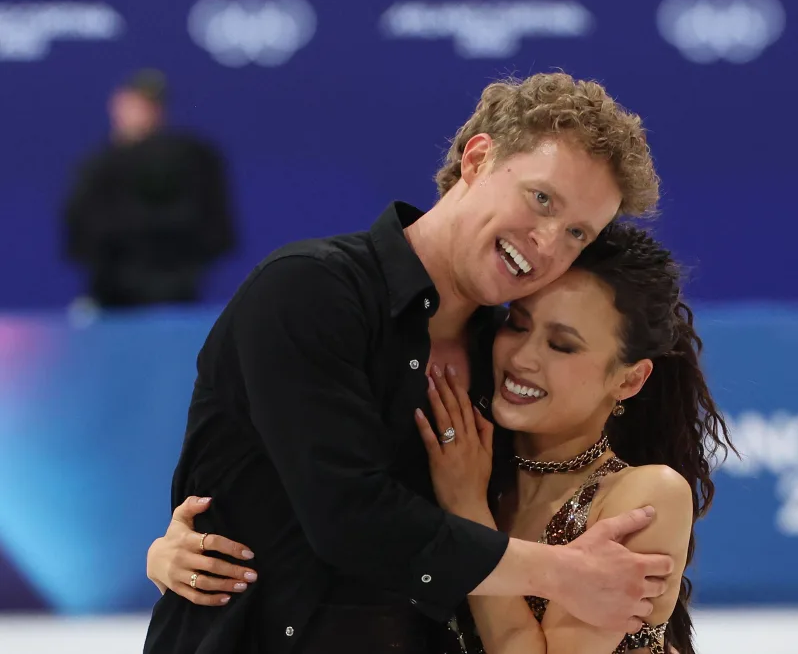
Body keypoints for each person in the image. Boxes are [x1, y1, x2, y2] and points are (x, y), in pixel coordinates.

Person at [141, 72, 668, 654]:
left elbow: (553, 506)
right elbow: (348, 517)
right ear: (477, 158)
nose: (547, 243)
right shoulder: (308, 290)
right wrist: (563, 573)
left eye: (576, 233)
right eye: (541, 198)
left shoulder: (509, 358)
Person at [150, 223, 734, 654]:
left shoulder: (644, 496)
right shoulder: (471, 456)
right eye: (519, 324)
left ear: (630, 378)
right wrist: (174, 553)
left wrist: (465, 509)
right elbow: (344, 514)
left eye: (563, 346)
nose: (522, 359)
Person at [63, 69, 235, 309]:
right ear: (116, 105)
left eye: (147, 105)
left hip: (176, 289)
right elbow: (79, 226)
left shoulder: (191, 158)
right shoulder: (98, 165)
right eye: (132, 104)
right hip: (112, 292)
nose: (138, 112)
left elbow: (213, 225)